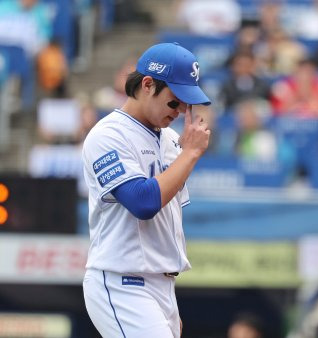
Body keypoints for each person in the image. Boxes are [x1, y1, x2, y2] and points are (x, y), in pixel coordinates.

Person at [81, 42, 211, 338]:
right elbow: (143, 202)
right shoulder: (108, 134)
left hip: (160, 283)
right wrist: (189, 154)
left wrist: (166, 303)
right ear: (148, 84)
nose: (180, 111)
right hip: (121, 280)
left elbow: (170, 220)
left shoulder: (170, 139)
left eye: (186, 104)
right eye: (175, 101)